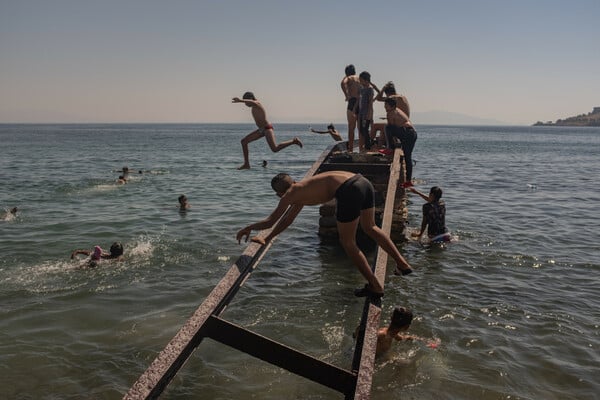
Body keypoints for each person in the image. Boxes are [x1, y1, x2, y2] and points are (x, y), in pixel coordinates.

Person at [236, 171, 414, 298]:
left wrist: (248, 227)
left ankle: (374, 286)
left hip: (348, 189)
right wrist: (266, 238)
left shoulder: (288, 195)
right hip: (361, 181)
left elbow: (271, 220)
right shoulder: (301, 189)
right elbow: (287, 220)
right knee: (371, 227)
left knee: (348, 243)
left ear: (278, 193)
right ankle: (402, 263)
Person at [232, 92, 303, 170]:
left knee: (274, 149)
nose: (245, 104)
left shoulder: (257, 103)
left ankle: (293, 141)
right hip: (261, 130)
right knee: (244, 141)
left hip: (267, 128)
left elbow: (252, 102)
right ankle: (246, 164)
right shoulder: (253, 106)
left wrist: (240, 100)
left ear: (250, 99)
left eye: (246, 102)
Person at [384, 98, 417, 187]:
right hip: (412, 134)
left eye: (386, 105)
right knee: (407, 157)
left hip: (407, 132)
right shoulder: (398, 111)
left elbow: (390, 127)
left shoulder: (390, 113)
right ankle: (408, 181)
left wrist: (392, 145)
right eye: (385, 105)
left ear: (392, 106)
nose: (385, 107)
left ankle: (390, 148)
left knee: (387, 127)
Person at [340, 65, 361, 152]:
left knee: (351, 128)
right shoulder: (359, 78)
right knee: (360, 128)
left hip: (352, 101)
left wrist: (347, 95)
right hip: (361, 101)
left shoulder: (348, 78)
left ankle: (350, 149)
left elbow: (343, 83)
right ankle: (361, 148)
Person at [357, 71, 377, 152]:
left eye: (361, 80)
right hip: (361, 113)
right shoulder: (362, 89)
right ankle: (366, 146)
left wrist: (369, 114)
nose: (359, 81)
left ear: (365, 80)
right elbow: (360, 101)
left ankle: (368, 147)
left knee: (365, 130)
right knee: (361, 130)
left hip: (367, 113)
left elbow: (370, 103)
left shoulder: (370, 90)